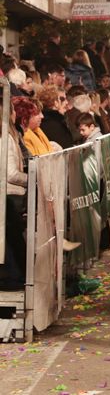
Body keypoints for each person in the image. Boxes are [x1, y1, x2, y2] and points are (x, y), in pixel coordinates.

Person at [1, 103, 28, 289]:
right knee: (12, 238)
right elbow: (10, 173)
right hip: (10, 195)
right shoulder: (6, 137)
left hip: (8, 195)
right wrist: (32, 178)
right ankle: (14, 278)